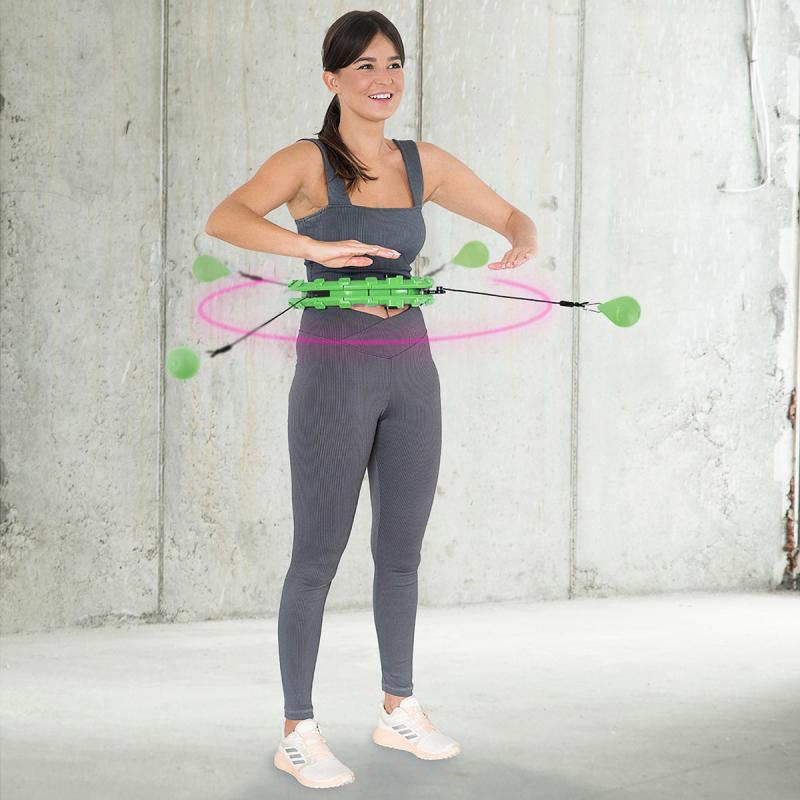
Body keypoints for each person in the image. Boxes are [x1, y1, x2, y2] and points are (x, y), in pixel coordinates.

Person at [205, 9, 537, 790]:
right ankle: (298, 730)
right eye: (364, 66)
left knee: (402, 551)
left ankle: (398, 707)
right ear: (333, 78)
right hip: (336, 370)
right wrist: (312, 246)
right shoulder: (307, 161)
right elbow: (226, 217)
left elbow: (510, 213)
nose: (383, 79)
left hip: (412, 370)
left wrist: (521, 240)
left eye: (393, 63)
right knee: (317, 556)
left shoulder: (423, 164)